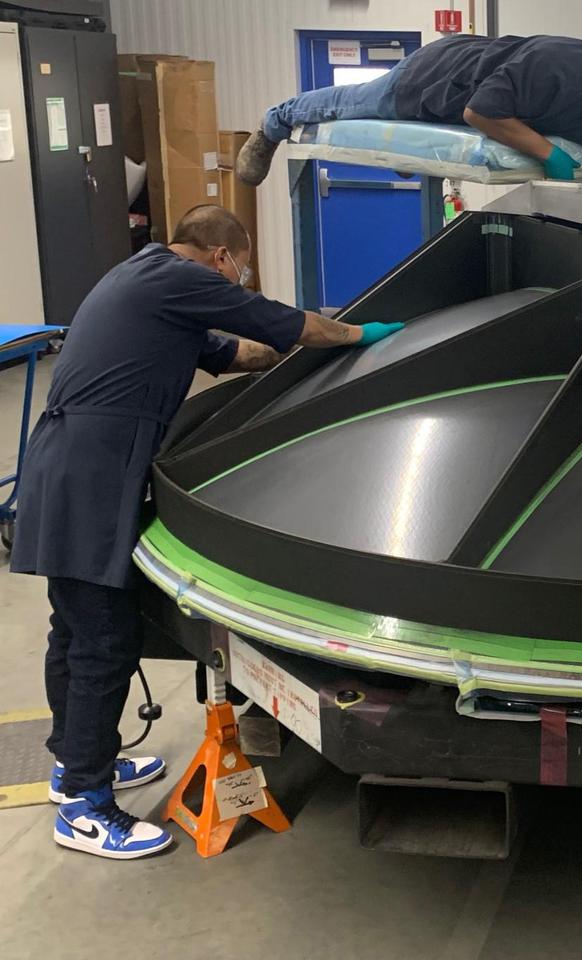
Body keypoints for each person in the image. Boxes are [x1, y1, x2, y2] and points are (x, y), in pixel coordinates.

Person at [9, 205, 404, 861]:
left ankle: (75, 763)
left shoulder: (151, 289)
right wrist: (359, 334)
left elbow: (245, 351)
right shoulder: (178, 278)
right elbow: (289, 323)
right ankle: (83, 805)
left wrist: (297, 367)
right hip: (89, 472)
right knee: (101, 637)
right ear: (221, 256)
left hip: (71, 463)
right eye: (239, 266)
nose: (239, 277)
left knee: (74, 628)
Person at [237, 29, 582, 187]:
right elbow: (480, 112)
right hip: (440, 73)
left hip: (489, 93)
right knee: (358, 102)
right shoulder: (556, 66)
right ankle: (273, 122)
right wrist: (547, 153)